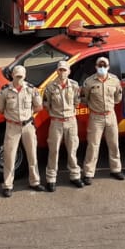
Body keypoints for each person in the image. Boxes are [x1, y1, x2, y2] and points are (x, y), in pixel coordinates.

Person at [0, 65, 43, 195]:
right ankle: (7, 185)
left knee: (32, 154)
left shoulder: (31, 90)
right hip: (12, 126)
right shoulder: (5, 91)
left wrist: (29, 114)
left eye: (21, 77)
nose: (19, 79)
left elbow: (39, 106)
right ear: (12, 76)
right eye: (16, 77)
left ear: (25, 76)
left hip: (27, 125)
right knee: (9, 156)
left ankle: (35, 182)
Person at [81, 56, 123, 182]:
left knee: (114, 144)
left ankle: (116, 169)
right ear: (96, 67)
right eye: (100, 65)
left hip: (110, 115)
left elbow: (118, 98)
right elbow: (84, 99)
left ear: (108, 67)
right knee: (93, 145)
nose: (102, 68)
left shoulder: (114, 81)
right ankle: (88, 173)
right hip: (96, 117)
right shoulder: (89, 82)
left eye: (105, 66)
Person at [42, 60, 81, 189]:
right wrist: (56, 114)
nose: (62, 72)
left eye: (65, 70)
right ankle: (51, 179)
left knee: (72, 150)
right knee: (54, 151)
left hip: (71, 121)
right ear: (57, 71)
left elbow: (77, 102)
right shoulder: (50, 87)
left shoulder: (74, 86)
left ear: (69, 71)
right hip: (56, 122)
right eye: (60, 70)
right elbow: (46, 104)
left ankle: (75, 175)